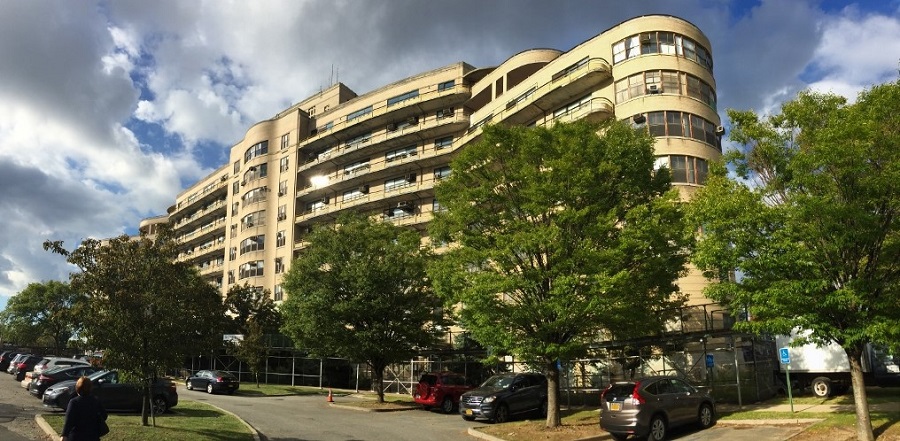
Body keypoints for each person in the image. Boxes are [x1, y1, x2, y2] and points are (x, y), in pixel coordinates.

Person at [61, 376, 107, 441]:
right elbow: (104, 415)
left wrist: (64, 435)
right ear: (90, 388)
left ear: (77, 388)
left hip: (76, 436)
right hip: (92, 436)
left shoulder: (74, 402)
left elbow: (69, 421)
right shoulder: (96, 401)